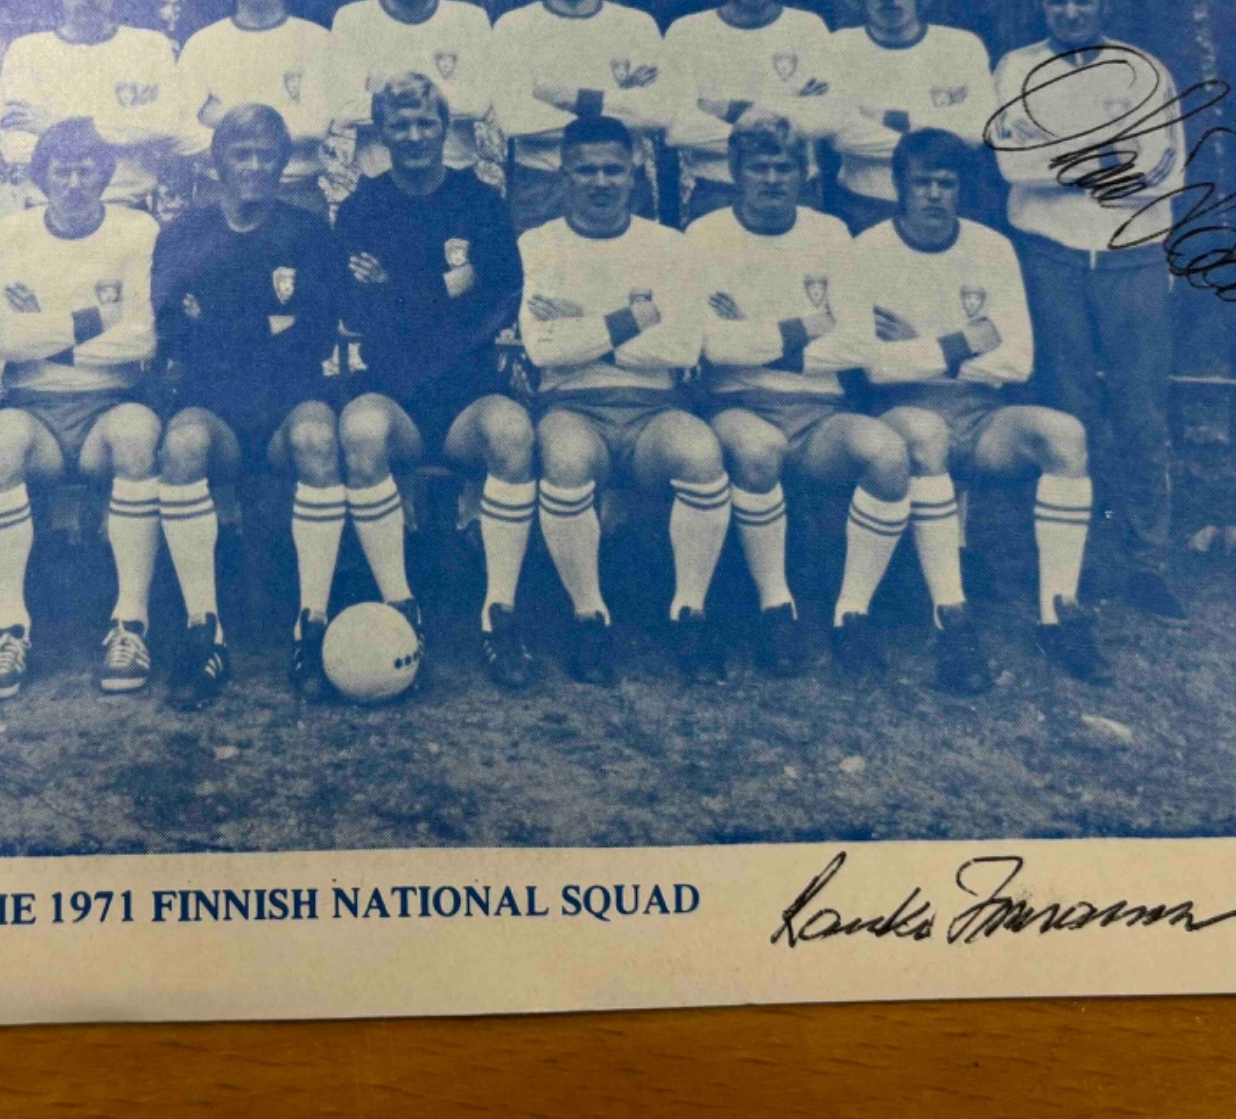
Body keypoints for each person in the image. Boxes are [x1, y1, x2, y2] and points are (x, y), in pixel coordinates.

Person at [856, 130, 1104, 687]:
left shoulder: (991, 247)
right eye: (922, 183)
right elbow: (876, 368)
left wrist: (922, 346)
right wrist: (965, 342)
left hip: (983, 415)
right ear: (898, 187)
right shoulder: (869, 249)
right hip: (904, 413)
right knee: (925, 435)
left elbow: (1018, 361)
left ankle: (1058, 615)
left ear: (961, 189)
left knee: (1065, 434)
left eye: (946, 183)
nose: (934, 195)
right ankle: (952, 618)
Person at [990, 0, 1186, 619]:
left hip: (1132, 255)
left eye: (1081, 0)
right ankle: (1074, 559)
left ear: (1101, 3)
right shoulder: (1018, 68)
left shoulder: (1143, 71)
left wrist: (1062, 158)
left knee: (1140, 412)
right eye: (1058, 1)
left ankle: (1146, 562)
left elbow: (1163, 171)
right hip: (1052, 257)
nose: (1070, 12)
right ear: (1042, 5)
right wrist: (1102, 155)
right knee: (1066, 410)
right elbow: (1014, 163)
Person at [686, 114, 914, 682]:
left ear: (806, 173)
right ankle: (776, 607)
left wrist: (758, 335)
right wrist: (810, 325)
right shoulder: (705, 236)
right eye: (759, 167)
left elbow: (858, 341)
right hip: (738, 404)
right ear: (735, 172)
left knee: (888, 454)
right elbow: (712, 345)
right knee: (758, 449)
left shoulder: (830, 234)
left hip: (820, 411)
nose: (772, 179)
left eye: (785, 167)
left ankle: (852, 613)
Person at [333, 73, 540, 691]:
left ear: (446, 129)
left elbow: (501, 296)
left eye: (427, 123)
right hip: (392, 389)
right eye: (400, 125)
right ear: (381, 133)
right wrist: (447, 287)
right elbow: (355, 307)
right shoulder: (363, 207)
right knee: (360, 431)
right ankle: (400, 608)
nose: (415, 136)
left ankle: (499, 615)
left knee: (512, 432)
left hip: (465, 390)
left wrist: (399, 288)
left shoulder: (479, 201)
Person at [516, 116, 731, 686]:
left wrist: (587, 327)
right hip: (571, 405)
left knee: (701, 454)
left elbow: (684, 344)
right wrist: (640, 316)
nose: (601, 182)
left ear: (634, 174)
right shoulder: (538, 244)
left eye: (613, 169)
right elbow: (544, 348)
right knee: (565, 461)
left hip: (655, 407)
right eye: (586, 170)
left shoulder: (667, 245)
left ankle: (690, 613)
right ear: (563, 174)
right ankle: (589, 616)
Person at [151, 106, 347, 708]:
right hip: (215, 406)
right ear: (219, 162)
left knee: (318, 440)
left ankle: (312, 626)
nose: (255, 166)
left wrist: (223, 325)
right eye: (242, 154)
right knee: (182, 445)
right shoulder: (183, 234)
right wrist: (263, 327)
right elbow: (173, 332)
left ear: (283, 164)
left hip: (289, 402)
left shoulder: (308, 232)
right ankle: (203, 631)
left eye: (267, 155)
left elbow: (316, 334)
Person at [0, 120, 164, 701]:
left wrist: (45, 327)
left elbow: (142, 336)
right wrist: (95, 320)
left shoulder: (136, 229)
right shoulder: (13, 233)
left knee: (138, 434)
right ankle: (9, 629)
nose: (75, 183)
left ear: (105, 175)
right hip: (34, 406)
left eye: (87, 170)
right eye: (62, 171)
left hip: (111, 400)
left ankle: (130, 624)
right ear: (42, 177)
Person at [489, 0, 676, 232]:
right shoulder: (514, 27)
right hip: (543, 187)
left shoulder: (636, 25)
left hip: (623, 185)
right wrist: (621, 101)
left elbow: (657, 113)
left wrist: (563, 96)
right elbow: (516, 119)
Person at [666, 0, 838, 221]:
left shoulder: (808, 28)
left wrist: (726, 109)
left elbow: (824, 119)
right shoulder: (687, 33)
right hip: (718, 193)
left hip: (795, 193)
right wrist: (788, 108)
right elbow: (678, 129)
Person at [824, 0, 992, 231]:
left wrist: (892, 118)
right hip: (865, 206)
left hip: (946, 209)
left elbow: (978, 130)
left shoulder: (961, 46)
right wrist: (936, 131)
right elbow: (841, 135)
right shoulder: (839, 47)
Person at [0, 0, 183, 212]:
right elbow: (17, 149)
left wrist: (53, 125)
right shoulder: (26, 51)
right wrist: (122, 130)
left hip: (127, 208)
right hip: (48, 212)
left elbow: (165, 125)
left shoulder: (149, 47)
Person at [324, 0, 496, 185]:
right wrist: (438, 93)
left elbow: (478, 104)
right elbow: (344, 108)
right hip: (380, 182)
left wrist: (383, 93)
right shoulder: (352, 19)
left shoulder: (470, 19)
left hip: (455, 178)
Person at [174, 0, 334, 213]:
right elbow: (180, 132)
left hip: (295, 194)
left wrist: (223, 117)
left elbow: (314, 128)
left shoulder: (317, 40)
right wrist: (281, 123)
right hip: (218, 197)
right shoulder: (203, 43)